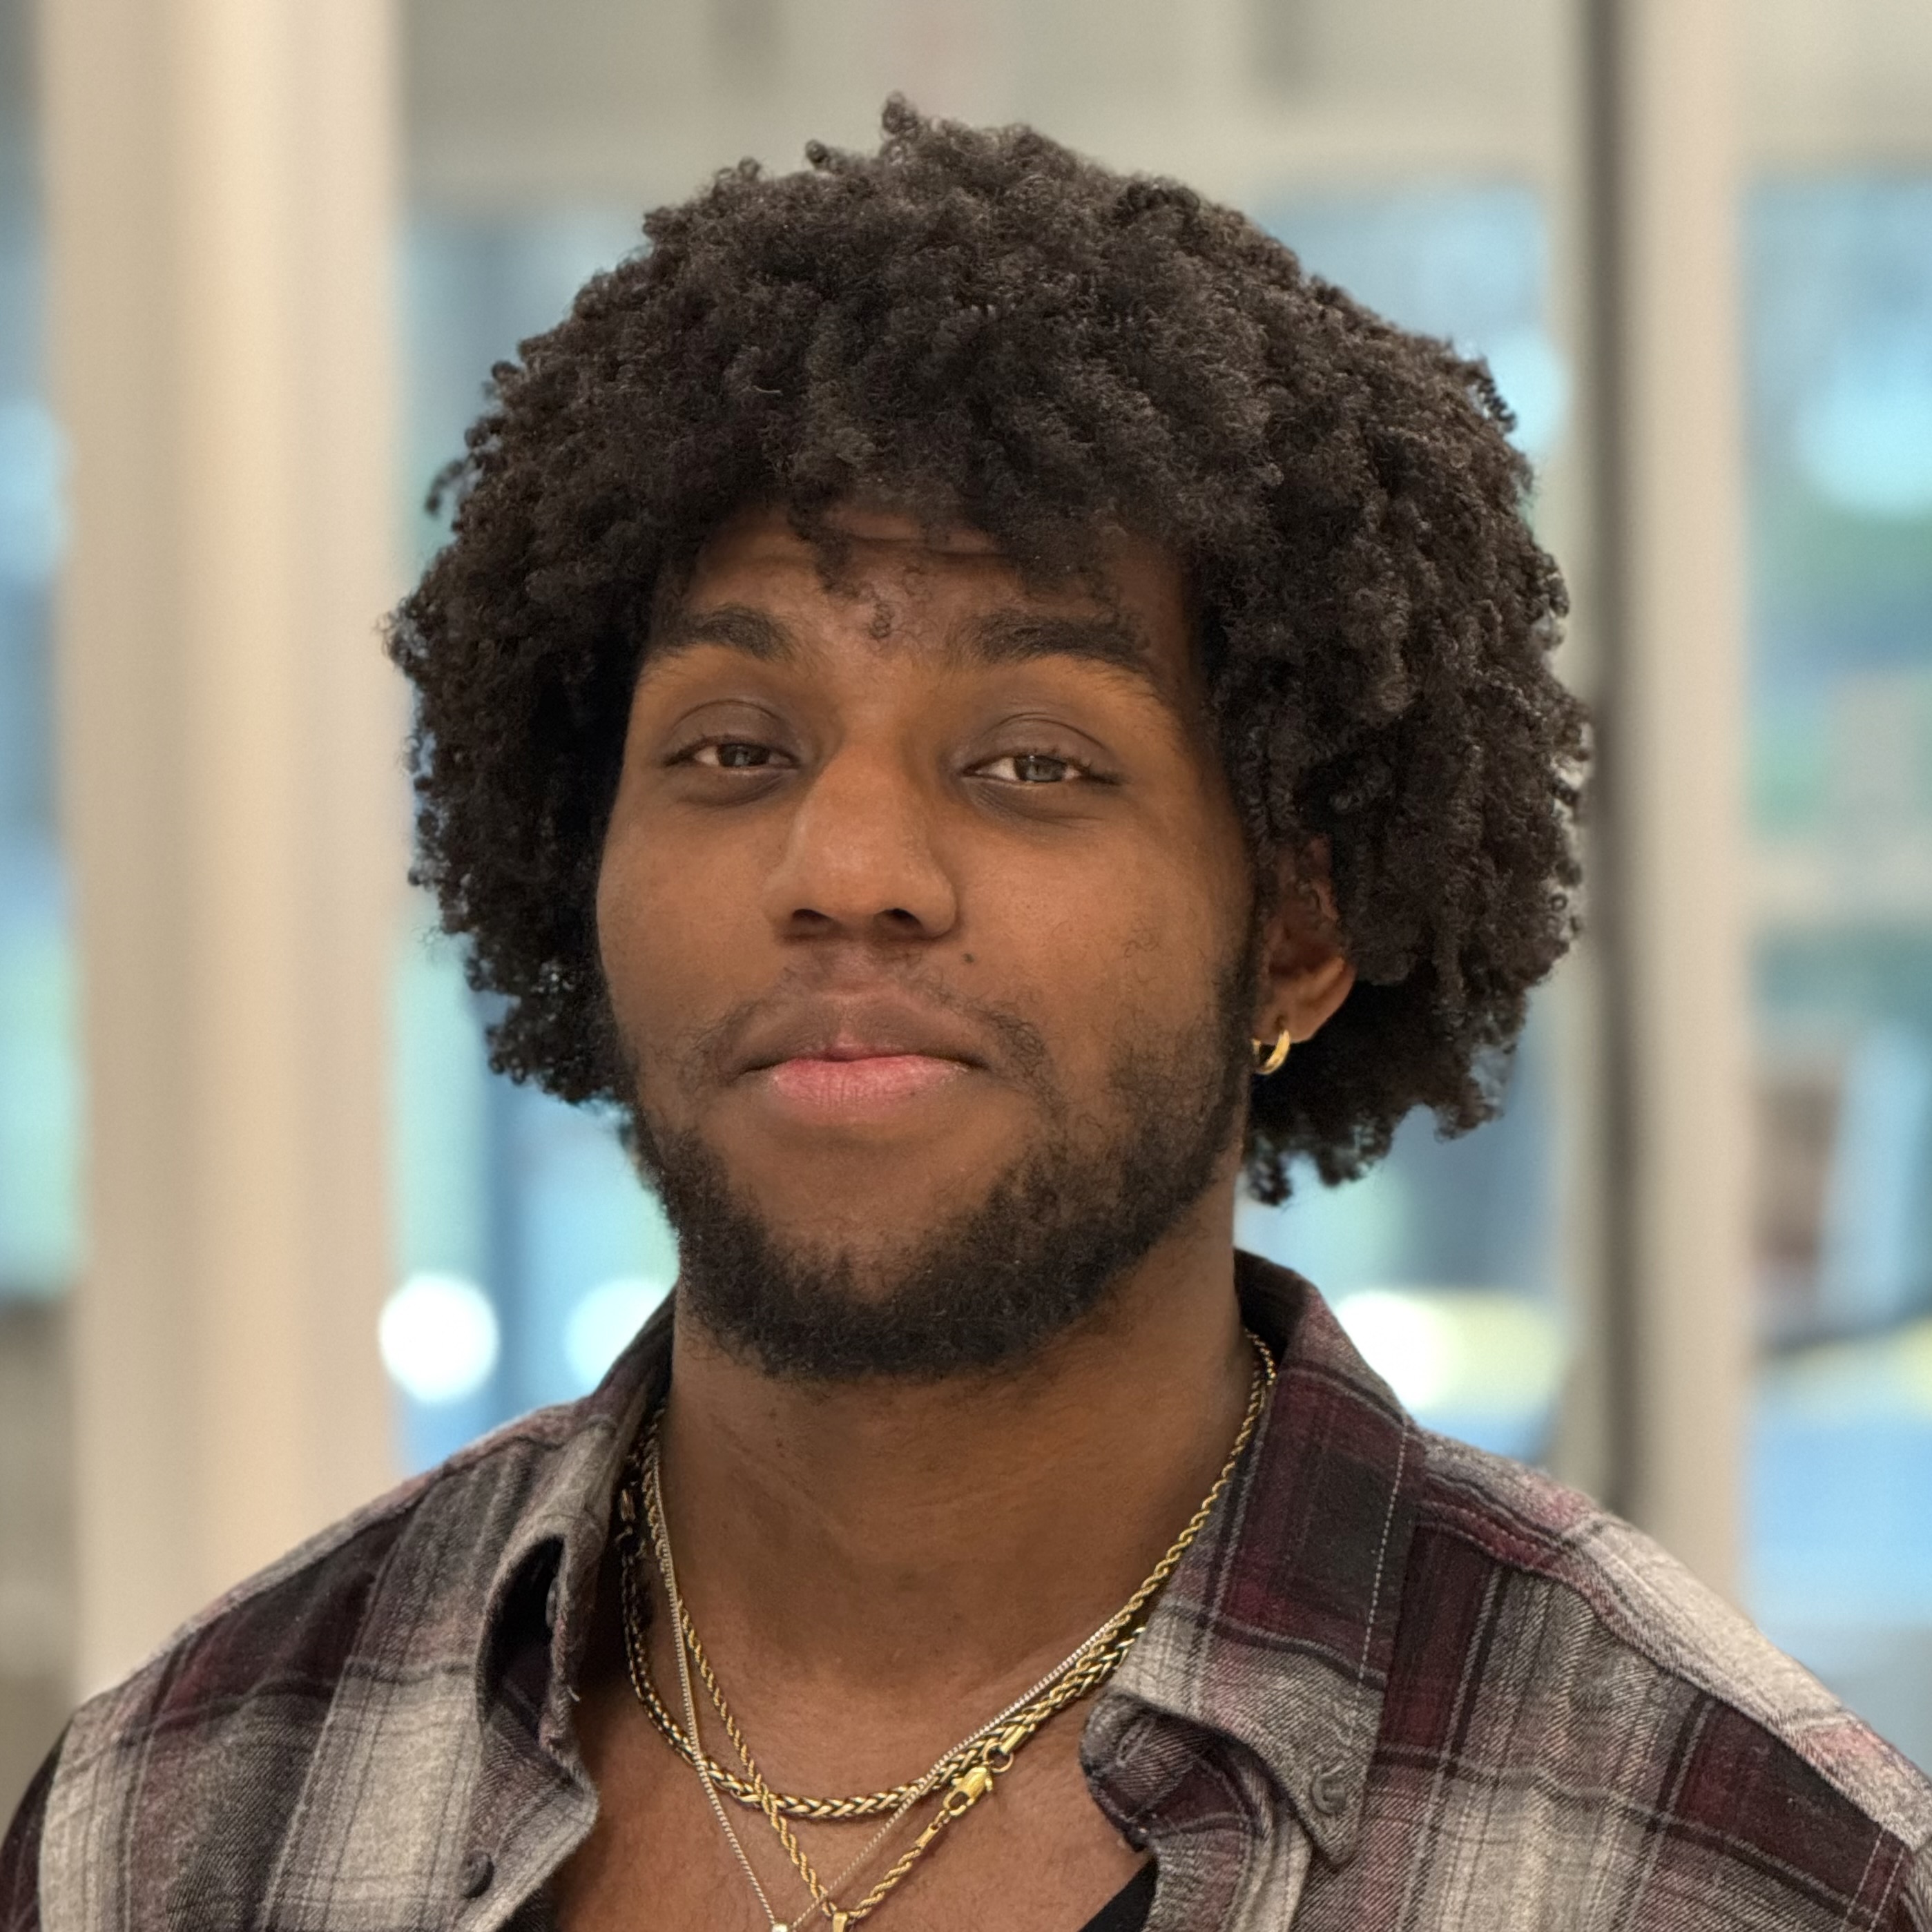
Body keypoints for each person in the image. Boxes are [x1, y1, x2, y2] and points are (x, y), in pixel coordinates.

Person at [6, 100, 1929, 1932]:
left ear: (1300, 930)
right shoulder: (182, 1811)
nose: (845, 863)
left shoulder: (1732, 1859)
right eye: (733, 748)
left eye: (1030, 762)